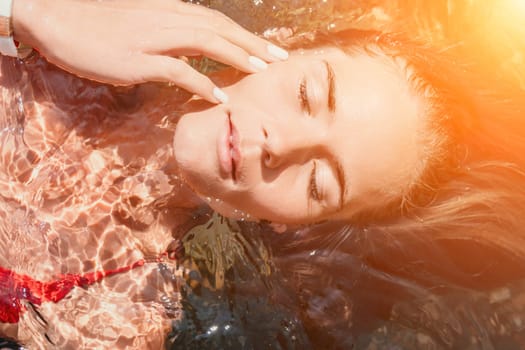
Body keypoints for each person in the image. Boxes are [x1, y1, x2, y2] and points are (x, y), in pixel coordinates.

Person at [1, 9, 525, 350]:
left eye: (319, 182)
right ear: (284, 43)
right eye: (306, 96)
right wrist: (28, 15)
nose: (282, 145)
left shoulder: (117, 313)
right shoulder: (90, 18)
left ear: (290, 225)